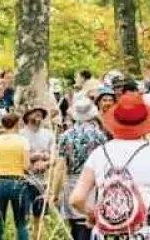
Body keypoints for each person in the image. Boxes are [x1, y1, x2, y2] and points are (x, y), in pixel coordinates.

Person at [68, 92, 150, 240]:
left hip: (106, 234)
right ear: (145, 123)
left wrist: (93, 215)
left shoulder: (99, 153)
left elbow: (76, 199)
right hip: (147, 231)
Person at [59, 95, 111, 240]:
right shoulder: (100, 136)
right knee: (94, 223)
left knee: (76, 224)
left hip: (73, 182)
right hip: (95, 183)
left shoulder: (66, 136)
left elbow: (61, 166)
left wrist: (55, 191)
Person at [0, 112, 33, 240]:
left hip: (0, 181)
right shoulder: (23, 141)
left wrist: (0, 169)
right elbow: (26, 166)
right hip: (18, 182)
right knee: (21, 223)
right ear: (17, 124)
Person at [20, 105, 57, 223]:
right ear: (27, 116)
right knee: (23, 217)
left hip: (43, 182)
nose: (38, 115)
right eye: (35, 112)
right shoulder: (20, 135)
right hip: (24, 181)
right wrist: (33, 158)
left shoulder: (49, 134)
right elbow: (18, 158)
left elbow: (55, 158)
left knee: (40, 217)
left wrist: (45, 164)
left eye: (40, 113)